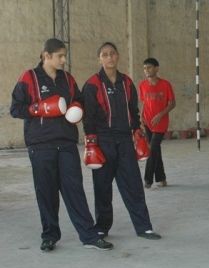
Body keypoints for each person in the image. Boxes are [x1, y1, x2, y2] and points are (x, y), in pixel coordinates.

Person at [10, 38, 113, 251]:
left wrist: (76, 106)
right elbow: (15, 108)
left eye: (64, 55)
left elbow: (80, 99)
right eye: (60, 56)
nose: (64, 60)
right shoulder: (29, 78)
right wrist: (37, 109)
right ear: (46, 56)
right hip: (40, 144)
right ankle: (49, 236)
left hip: (66, 143)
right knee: (46, 192)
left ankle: (89, 236)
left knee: (75, 189)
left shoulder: (67, 78)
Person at [82, 42, 161, 240]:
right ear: (99, 58)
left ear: (118, 56)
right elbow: (88, 116)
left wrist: (137, 132)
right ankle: (102, 227)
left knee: (133, 184)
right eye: (104, 54)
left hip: (125, 140)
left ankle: (144, 227)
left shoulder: (126, 82)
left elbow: (133, 111)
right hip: (103, 140)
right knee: (102, 187)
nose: (109, 58)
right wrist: (91, 142)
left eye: (112, 54)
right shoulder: (92, 84)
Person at [139, 57, 176, 189]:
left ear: (156, 68)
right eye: (144, 68)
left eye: (149, 67)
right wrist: (141, 117)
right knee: (156, 150)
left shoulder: (165, 85)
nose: (146, 70)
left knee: (152, 149)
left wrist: (160, 115)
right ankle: (161, 178)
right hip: (147, 122)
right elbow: (144, 102)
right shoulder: (142, 85)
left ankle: (147, 180)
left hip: (160, 123)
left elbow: (172, 104)